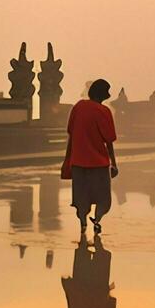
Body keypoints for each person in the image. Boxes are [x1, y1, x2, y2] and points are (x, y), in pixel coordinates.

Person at [61, 78, 118, 235]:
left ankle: (83, 223)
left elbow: (71, 133)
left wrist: (68, 158)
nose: (109, 94)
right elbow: (109, 141)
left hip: (78, 162)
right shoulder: (104, 111)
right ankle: (97, 219)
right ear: (102, 94)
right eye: (107, 91)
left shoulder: (78, 107)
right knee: (103, 199)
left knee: (81, 197)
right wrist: (114, 163)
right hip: (98, 163)